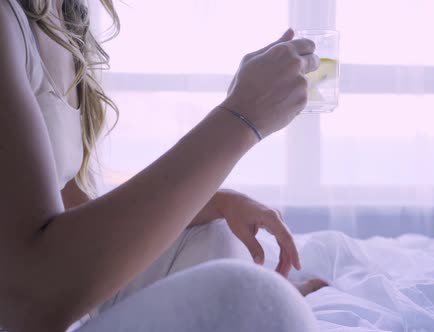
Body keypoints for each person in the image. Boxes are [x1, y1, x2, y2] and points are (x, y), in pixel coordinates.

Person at [0, 0, 325, 331]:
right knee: (254, 298)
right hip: (29, 310)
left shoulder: (60, 12)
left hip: (54, 300)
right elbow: (26, 299)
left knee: (215, 238)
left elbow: (64, 203)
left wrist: (212, 202)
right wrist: (241, 120)